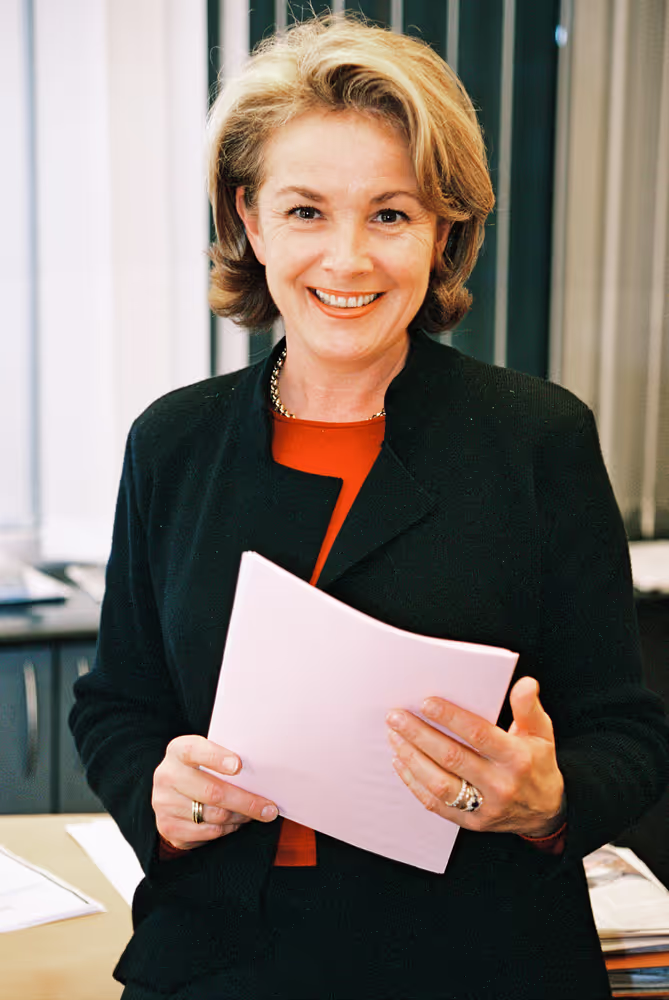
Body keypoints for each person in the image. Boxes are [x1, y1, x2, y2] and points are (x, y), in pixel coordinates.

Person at [70, 12, 669, 1000]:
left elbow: (627, 731)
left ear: (443, 231)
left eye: (390, 214)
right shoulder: (173, 442)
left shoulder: (536, 438)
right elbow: (117, 704)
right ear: (250, 218)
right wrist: (161, 796)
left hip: (473, 961)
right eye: (306, 210)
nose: (346, 259)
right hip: (220, 961)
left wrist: (546, 799)